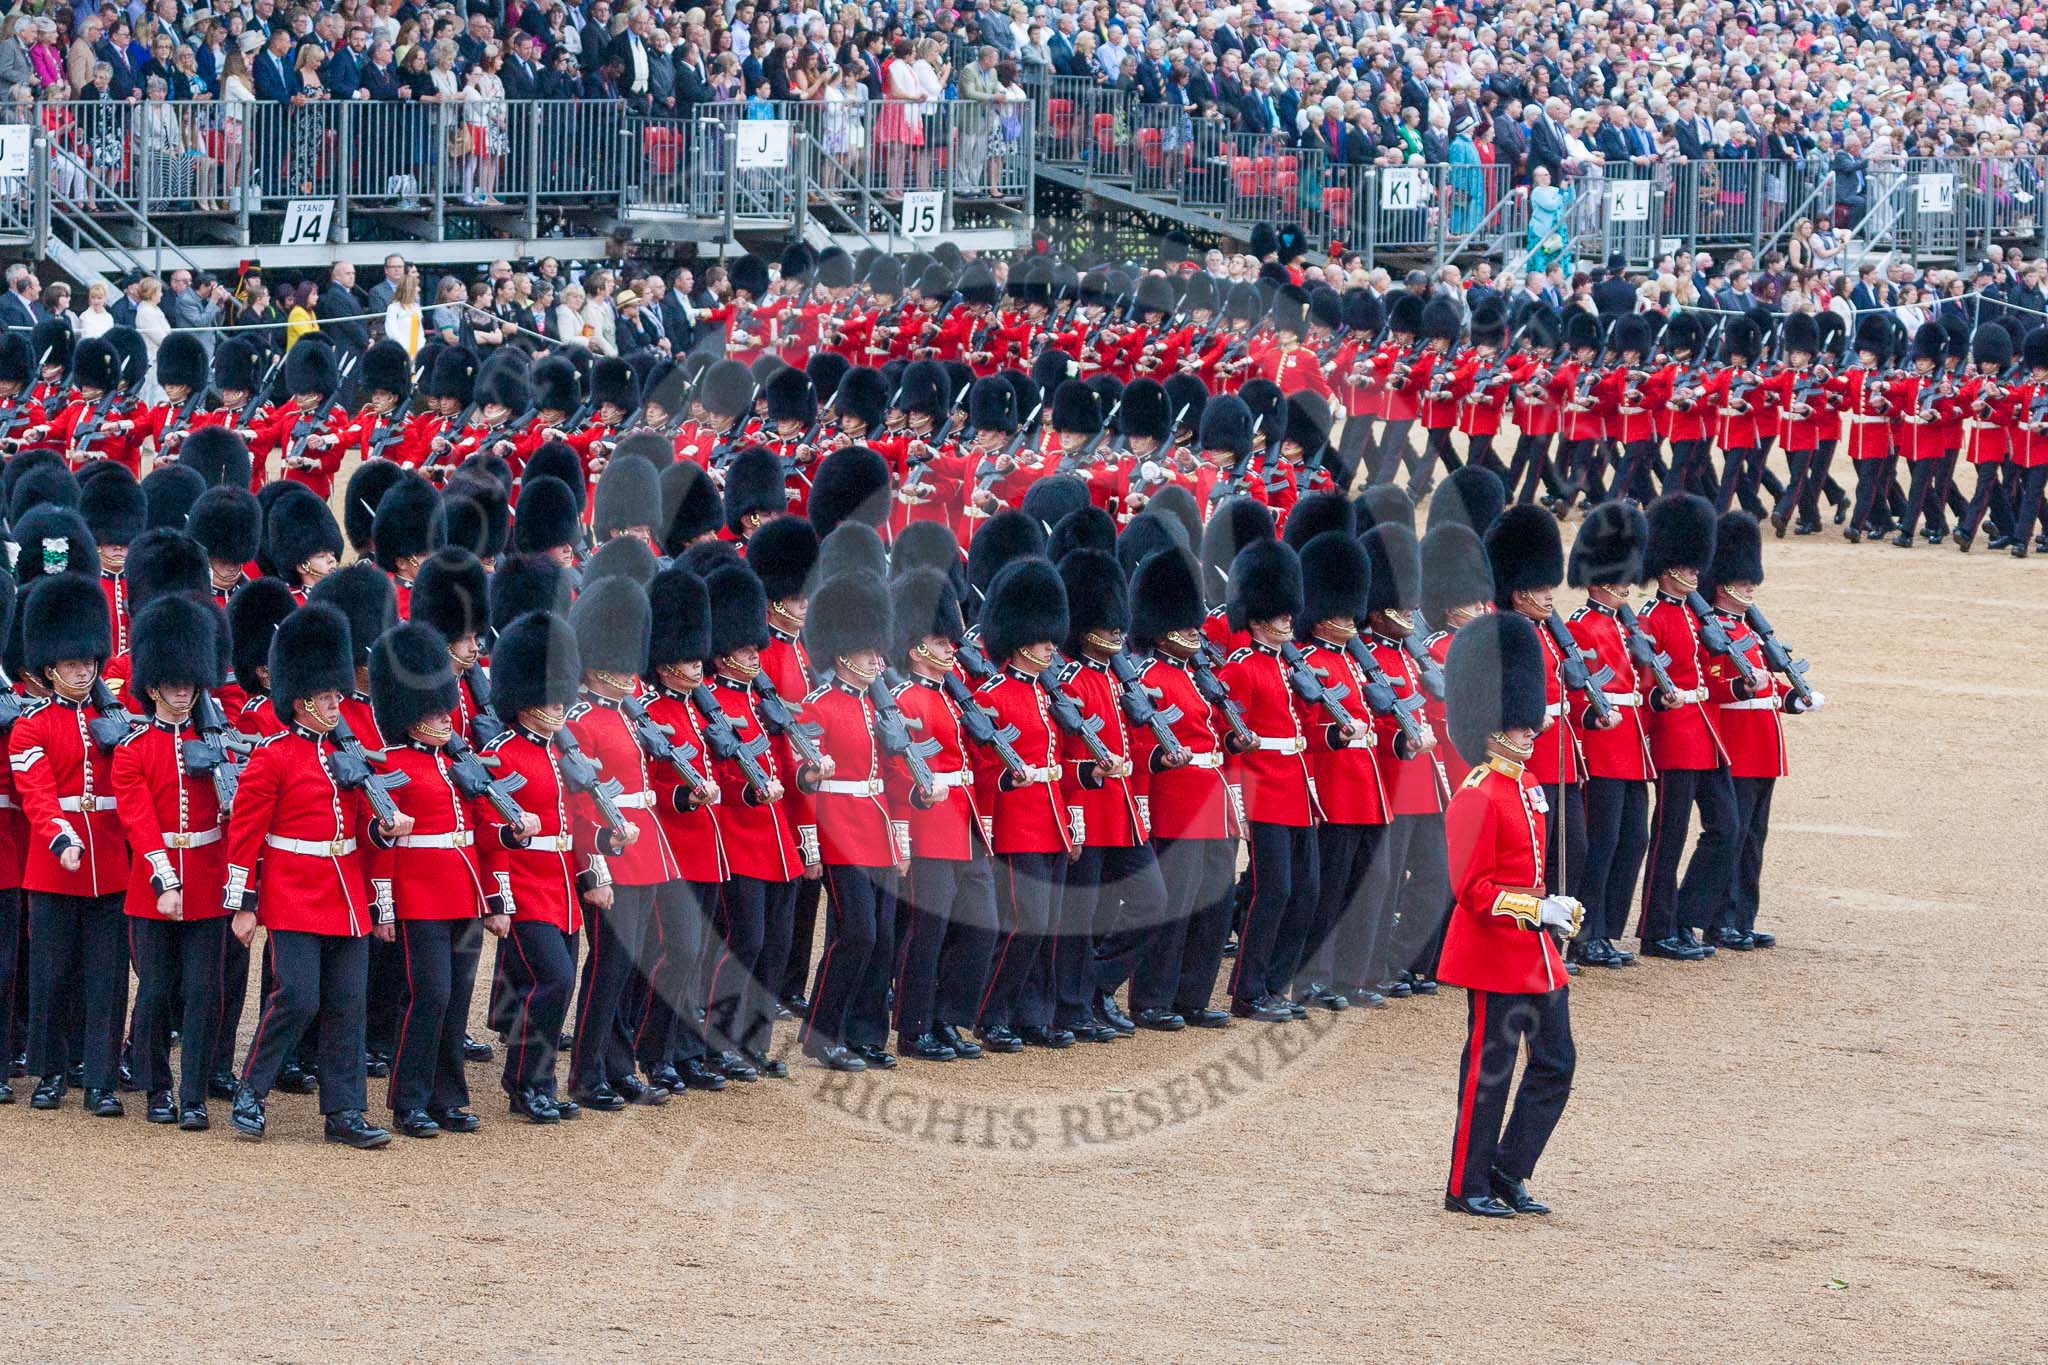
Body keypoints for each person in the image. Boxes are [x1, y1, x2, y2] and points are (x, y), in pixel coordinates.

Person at [1437, 609, 1581, 1219]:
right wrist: (1536, 909)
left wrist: (1550, 910)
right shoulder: (1476, 793)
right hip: (1495, 953)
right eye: (1518, 726)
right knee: (1488, 1073)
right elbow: (1473, 891)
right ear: (1492, 729)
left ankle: (1508, 1169)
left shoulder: (1525, 786)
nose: (1530, 732)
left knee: (1556, 1062)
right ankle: (1464, 1185)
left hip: (1535, 954)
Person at [1525, 165, 1572, 276]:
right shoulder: (1537, 191)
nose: (1548, 176)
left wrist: (1570, 186)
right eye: (1545, 174)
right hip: (1541, 232)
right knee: (1541, 257)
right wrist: (1561, 191)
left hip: (1557, 231)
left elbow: (1569, 199)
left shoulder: (1554, 189)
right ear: (1537, 177)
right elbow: (1551, 205)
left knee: (1557, 256)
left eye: (1548, 174)